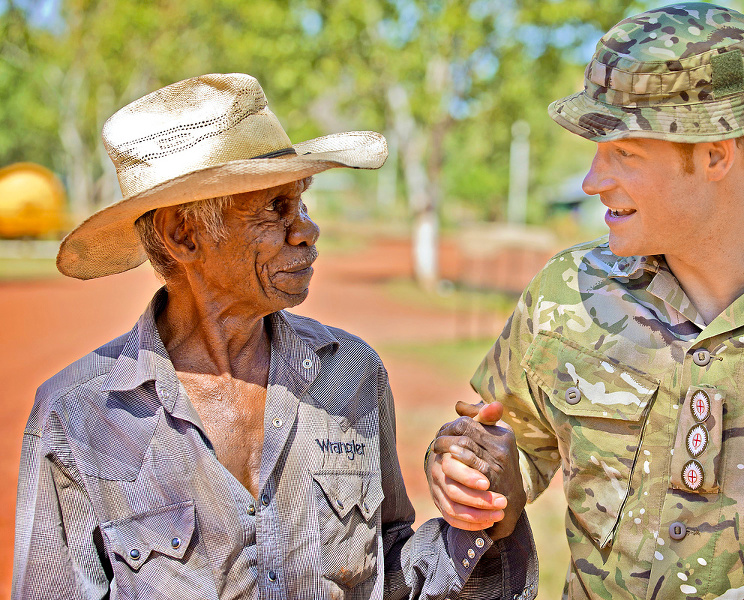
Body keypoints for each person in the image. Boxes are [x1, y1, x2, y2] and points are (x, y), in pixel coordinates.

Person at [427, 3, 744, 599]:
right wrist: (477, 478)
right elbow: (511, 449)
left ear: (715, 154)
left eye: (622, 153)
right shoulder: (568, 293)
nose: (592, 181)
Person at [13, 73, 536, 600]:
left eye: (300, 202)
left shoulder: (351, 374)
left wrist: (485, 520)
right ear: (182, 234)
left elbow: (389, 568)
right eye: (274, 209)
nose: (306, 229)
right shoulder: (78, 414)